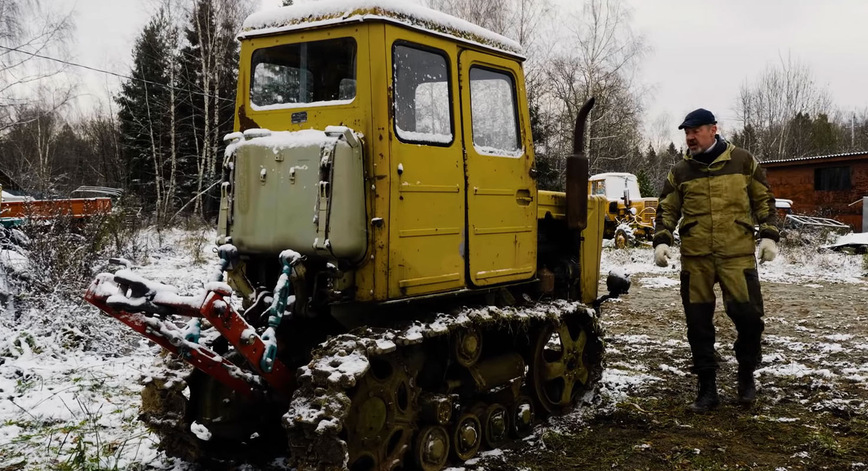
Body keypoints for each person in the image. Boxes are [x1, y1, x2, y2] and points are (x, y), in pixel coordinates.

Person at [653, 108, 779, 412]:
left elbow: (764, 199)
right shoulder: (681, 171)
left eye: (695, 131)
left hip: (737, 255)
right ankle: (707, 389)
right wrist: (661, 240)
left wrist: (770, 234)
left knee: (749, 319)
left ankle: (746, 374)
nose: (690, 137)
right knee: (698, 325)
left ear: (713, 129)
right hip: (696, 259)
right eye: (686, 132)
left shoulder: (743, 161)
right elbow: (667, 208)